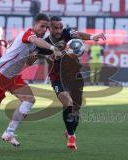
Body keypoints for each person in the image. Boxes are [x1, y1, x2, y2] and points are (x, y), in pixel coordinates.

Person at [0, 13, 62, 148]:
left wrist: (48, 56)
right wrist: (52, 48)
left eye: (47, 27)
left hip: (14, 77)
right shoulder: (28, 34)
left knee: (29, 100)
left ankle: (9, 132)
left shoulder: (36, 42)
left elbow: (29, 60)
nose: (44, 29)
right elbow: (36, 42)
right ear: (34, 25)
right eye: (42, 26)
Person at [37, 16, 106, 150]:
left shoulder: (67, 33)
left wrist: (92, 37)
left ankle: (70, 130)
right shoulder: (44, 43)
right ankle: (71, 136)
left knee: (76, 108)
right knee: (67, 103)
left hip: (75, 75)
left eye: (60, 27)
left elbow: (78, 34)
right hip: (58, 78)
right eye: (55, 28)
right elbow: (36, 58)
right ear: (49, 28)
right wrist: (50, 57)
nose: (59, 30)